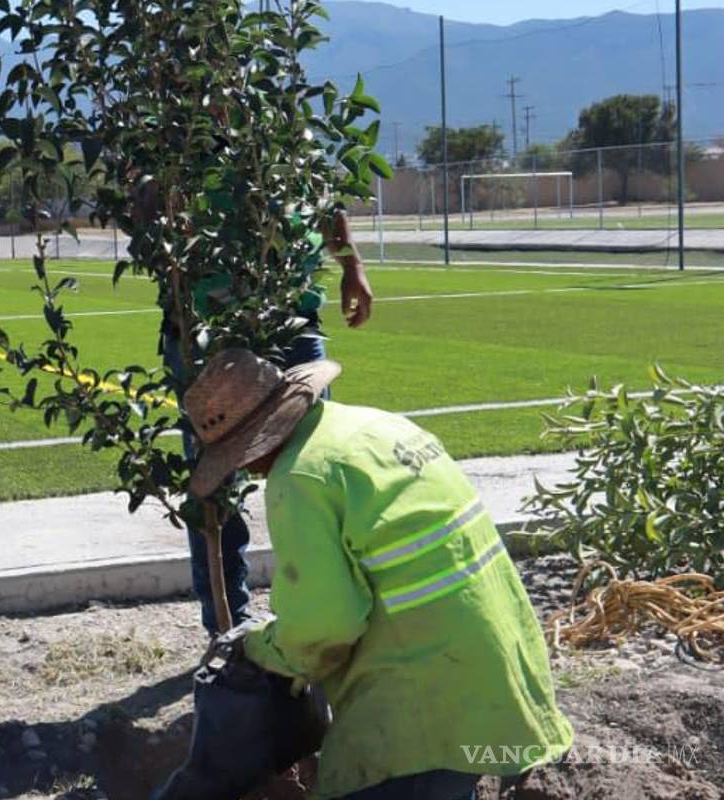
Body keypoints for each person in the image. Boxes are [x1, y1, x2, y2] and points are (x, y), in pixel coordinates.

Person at [174, 349, 573, 799]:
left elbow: (321, 631)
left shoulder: (301, 477)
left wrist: (257, 646)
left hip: (426, 701)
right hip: (493, 669)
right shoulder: (374, 427)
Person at [156, 201, 373, 634]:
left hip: (295, 320)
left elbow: (323, 197)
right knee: (215, 485)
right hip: (206, 329)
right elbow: (149, 204)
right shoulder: (180, 155)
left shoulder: (294, 151)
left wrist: (352, 265)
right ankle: (228, 630)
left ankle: (327, 616)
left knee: (319, 466)